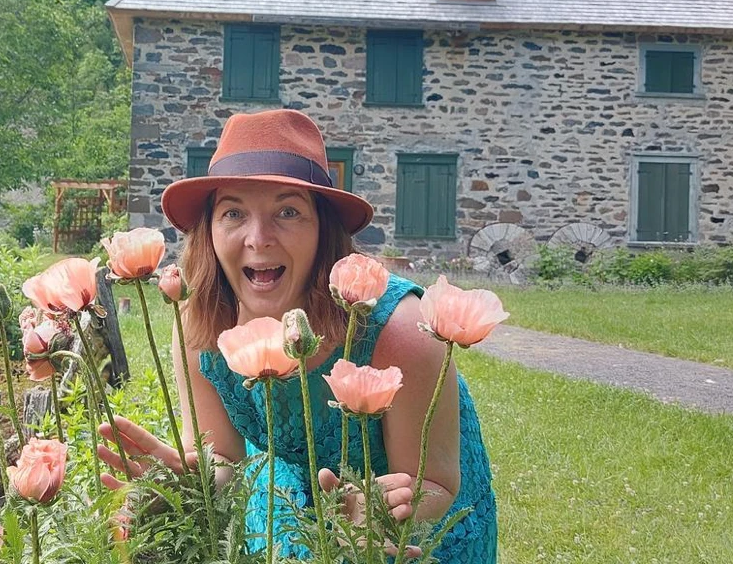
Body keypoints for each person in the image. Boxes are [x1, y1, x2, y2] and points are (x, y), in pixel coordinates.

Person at [96, 109, 497, 561]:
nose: (258, 237)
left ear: (323, 228)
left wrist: (375, 517)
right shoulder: (199, 323)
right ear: (209, 230)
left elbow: (434, 483)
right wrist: (187, 485)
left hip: (415, 526)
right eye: (233, 212)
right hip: (298, 498)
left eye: (288, 211)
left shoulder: (397, 328)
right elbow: (223, 459)